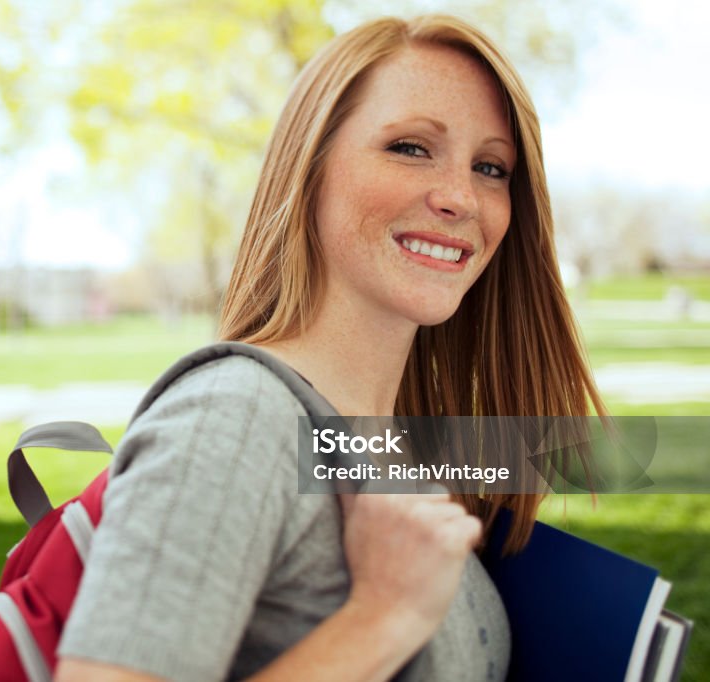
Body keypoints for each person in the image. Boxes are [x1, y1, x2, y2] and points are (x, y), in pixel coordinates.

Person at [56, 14, 605, 682]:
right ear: (309, 167)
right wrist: (384, 617)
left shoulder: (401, 443)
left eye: (491, 167)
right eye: (410, 147)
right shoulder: (233, 421)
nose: (462, 197)